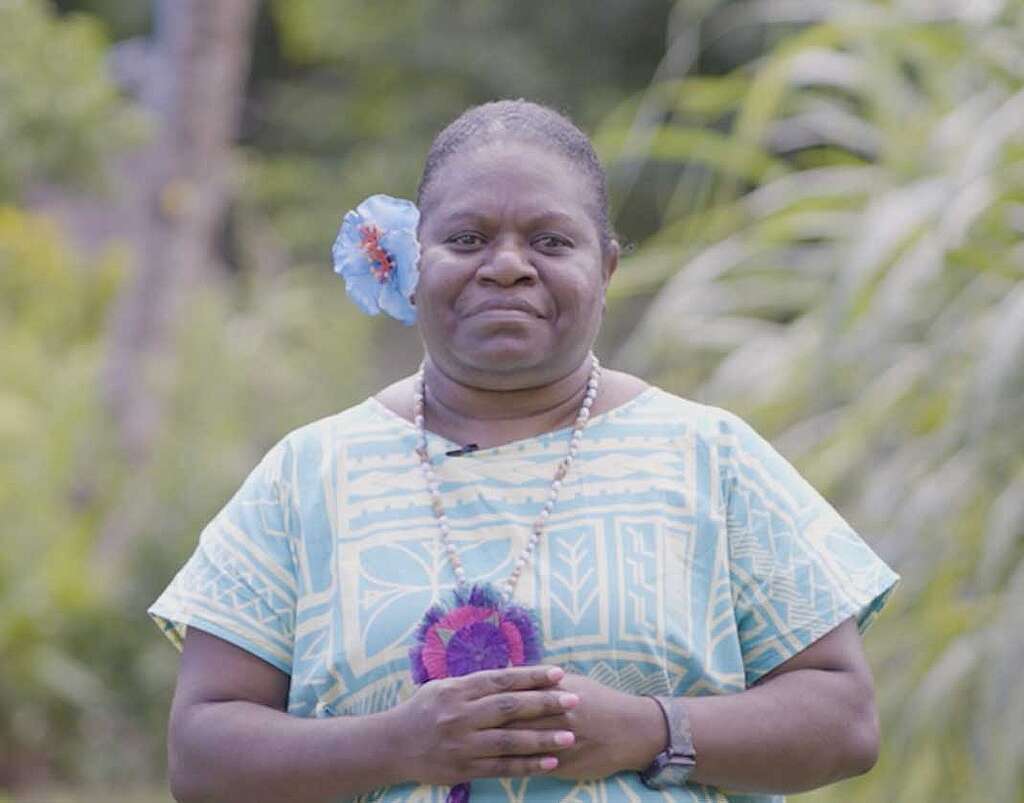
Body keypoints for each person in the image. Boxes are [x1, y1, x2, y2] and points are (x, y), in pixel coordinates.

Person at [149, 99, 899, 803]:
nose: (507, 265)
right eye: (467, 238)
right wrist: (397, 744)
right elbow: (200, 749)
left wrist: (649, 729)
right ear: (414, 264)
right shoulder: (307, 474)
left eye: (550, 240)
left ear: (605, 268)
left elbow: (843, 716)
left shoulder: (711, 456)